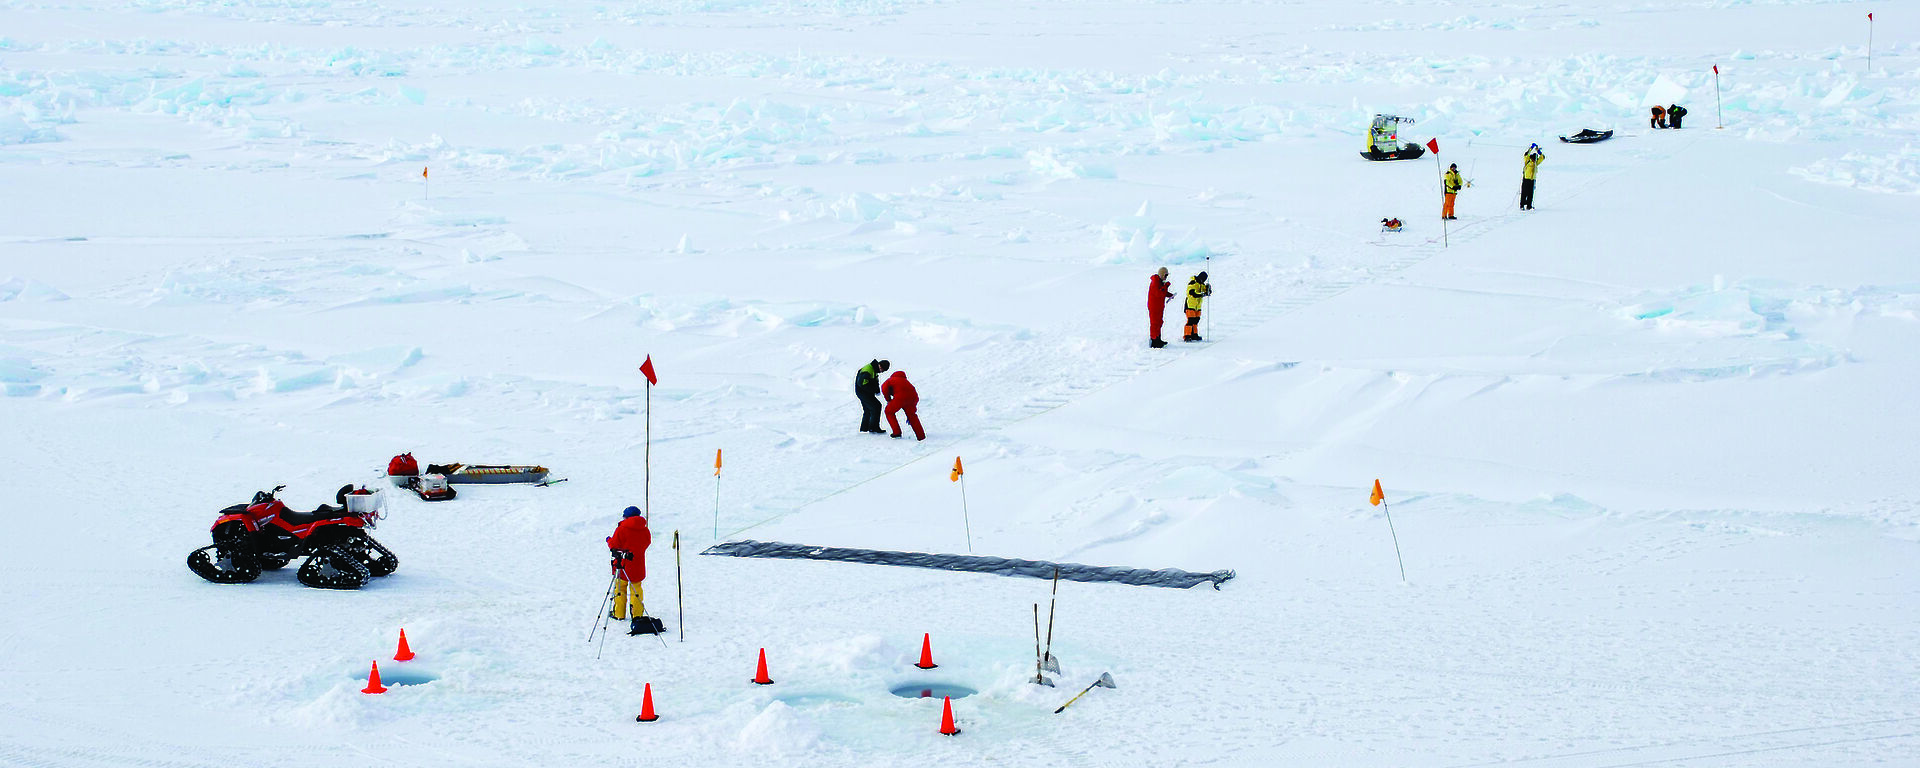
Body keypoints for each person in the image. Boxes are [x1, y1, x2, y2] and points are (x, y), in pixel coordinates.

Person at [606, 506, 657, 635]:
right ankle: (637, 614)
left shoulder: (622, 529)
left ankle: (619, 613)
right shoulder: (645, 529)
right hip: (638, 563)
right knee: (636, 589)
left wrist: (608, 541)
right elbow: (647, 542)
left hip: (623, 564)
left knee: (620, 588)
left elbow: (615, 545)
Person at [880, 369, 925, 441]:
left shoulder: (890, 380)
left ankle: (897, 432)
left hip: (900, 397)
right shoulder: (907, 382)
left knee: (889, 411)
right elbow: (914, 397)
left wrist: (888, 399)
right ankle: (921, 436)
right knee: (912, 416)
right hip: (913, 398)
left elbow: (884, 388)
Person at [854, 359, 889, 434]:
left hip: (864, 392)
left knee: (868, 410)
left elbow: (875, 381)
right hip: (863, 392)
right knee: (876, 406)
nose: (882, 372)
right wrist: (873, 390)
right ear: (880, 365)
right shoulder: (868, 370)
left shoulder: (874, 369)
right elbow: (862, 384)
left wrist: (877, 390)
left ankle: (864, 429)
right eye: (882, 370)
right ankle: (873, 428)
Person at [1147, 267, 1174, 348]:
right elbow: (1159, 293)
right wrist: (1166, 286)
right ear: (1162, 274)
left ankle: (1158, 339)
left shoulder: (1160, 282)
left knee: (1159, 322)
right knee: (1155, 323)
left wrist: (1170, 295)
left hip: (1159, 306)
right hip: (1154, 307)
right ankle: (1154, 341)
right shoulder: (1155, 282)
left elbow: (1163, 292)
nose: (1166, 277)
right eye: (1165, 275)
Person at [1183, 271, 1211, 342]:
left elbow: (1206, 292)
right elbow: (1192, 293)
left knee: (1196, 320)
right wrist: (1202, 294)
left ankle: (1194, 334)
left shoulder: (1201, 285)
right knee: (1191, 320)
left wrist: (1208, 289)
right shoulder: (1193, 283)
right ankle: (1187, 335)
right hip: (1190, 305)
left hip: (1197, 306)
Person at [1519, 144, 1545, 211]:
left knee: (1530, 193)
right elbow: (1526, 154)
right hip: (1526, 179)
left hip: (1532, 179)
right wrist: (1531, 148)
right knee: (1524, 192)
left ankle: (1529, 205)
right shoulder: (1527, 160)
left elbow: (1542, 157)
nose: (1534, 161)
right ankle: (1522, 205)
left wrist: (1539, 152)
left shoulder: (1536, 163)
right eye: (1533, 159)